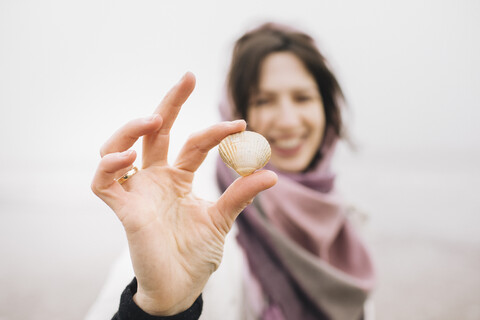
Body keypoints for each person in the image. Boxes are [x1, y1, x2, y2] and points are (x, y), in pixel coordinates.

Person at [89, 23, 375, 320]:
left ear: (327, 109)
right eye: (263, 100)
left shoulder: (345, 220)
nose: (289, 121)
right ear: (236, 112)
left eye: (303, 98)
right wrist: (156, 310)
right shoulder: (184, 221)